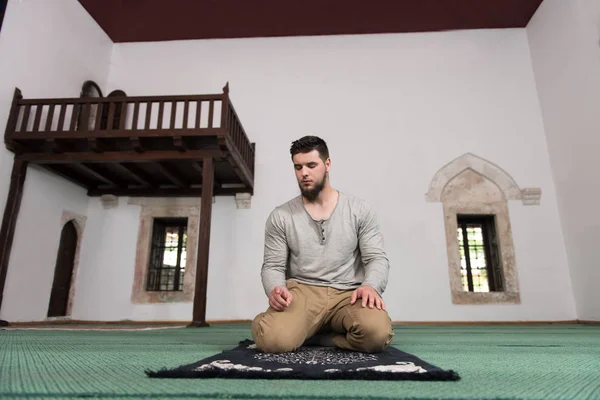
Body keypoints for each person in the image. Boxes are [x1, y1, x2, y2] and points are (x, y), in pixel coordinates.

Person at [251, 135, 394, 354]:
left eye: (311, 165)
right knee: (273, 340)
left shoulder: (360, 210)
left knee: (376, 334)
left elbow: (376, 258)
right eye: (298, 167)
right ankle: (300, 328)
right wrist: (275, 288)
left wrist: (371, 286)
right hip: (302, 292)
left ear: (327, 164)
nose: (304, 173)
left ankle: (321, 338)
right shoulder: (280, 216)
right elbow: (272, 266)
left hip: (349, 294)